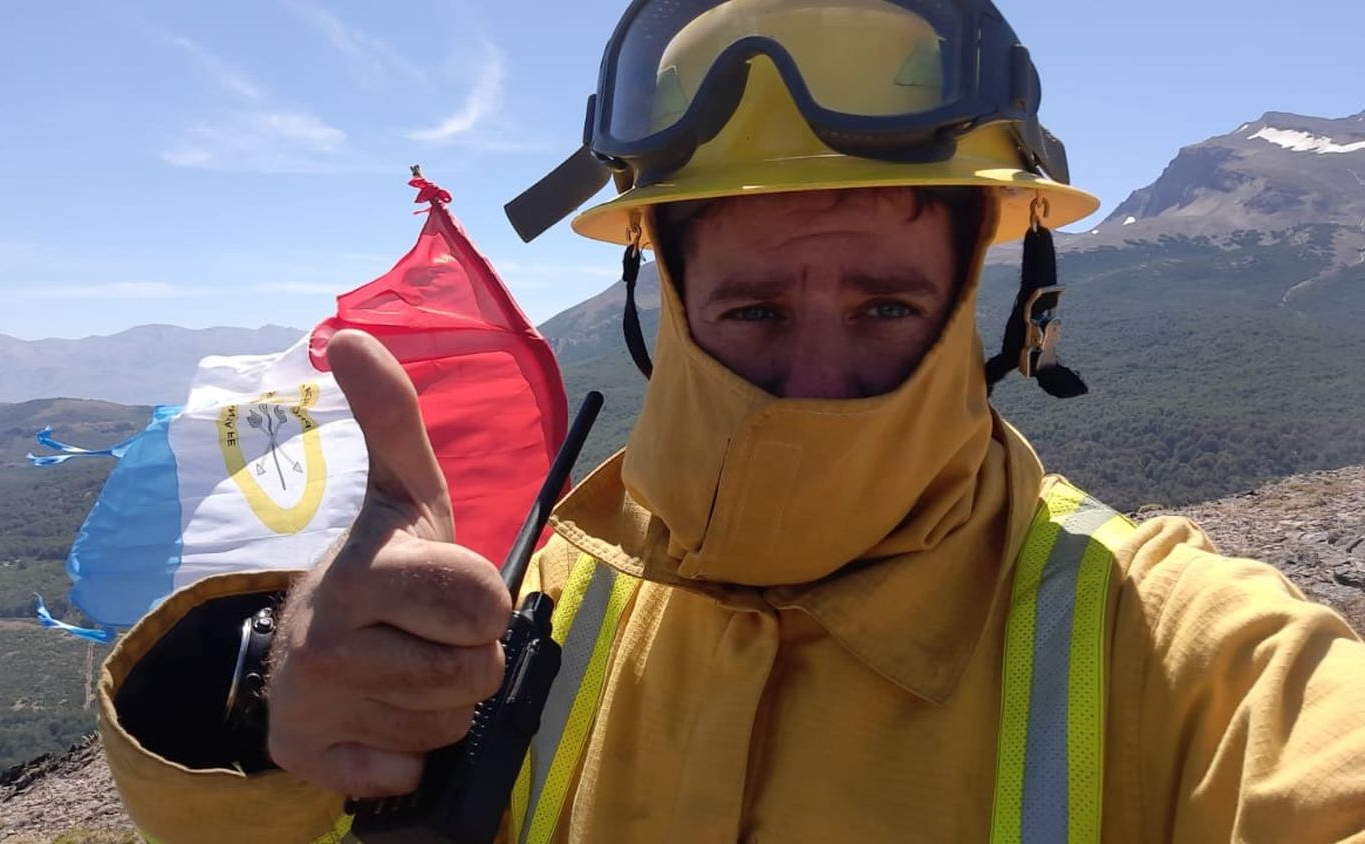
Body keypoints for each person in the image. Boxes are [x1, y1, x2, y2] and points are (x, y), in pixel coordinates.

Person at [97, 1, 1365, 841]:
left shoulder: (1188, 651)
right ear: (663, 297)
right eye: (753, 310)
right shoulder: (505, 614)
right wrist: (260, 697)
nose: (812, 377)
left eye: (884, 307)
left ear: (1004, 303)